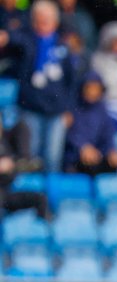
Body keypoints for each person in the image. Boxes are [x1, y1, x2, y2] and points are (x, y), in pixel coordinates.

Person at [0, 0, 78, 172]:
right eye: (39, 18)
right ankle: (30, 195)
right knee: (30, 156)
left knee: (52, 157)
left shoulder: (63, 46)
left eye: (46, 19)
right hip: (30, 108)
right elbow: (13, 40)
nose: (42, 23)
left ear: (55, 21)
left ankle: (50, 196)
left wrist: (69, 109)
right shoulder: (27, 40)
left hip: (56, 111)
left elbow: (72, 81)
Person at [63, 72, 117, 175]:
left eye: (96, 88)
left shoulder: (102, 110)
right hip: (74, 157)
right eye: (89, 88)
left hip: (95, 157)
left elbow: (107, 134)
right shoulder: (72, 109)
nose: (92, 92)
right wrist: (82, 147)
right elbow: (69, 135)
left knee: (114, 162)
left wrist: (111, 151)